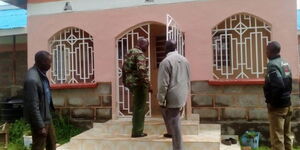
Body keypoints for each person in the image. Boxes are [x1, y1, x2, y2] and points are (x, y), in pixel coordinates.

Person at [157, 39, 190, 150]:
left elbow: (163, 84)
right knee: (175, 121)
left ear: (166, 49)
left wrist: (160, 99)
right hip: (182, 95)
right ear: (176, 47)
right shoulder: (185, 60)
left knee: (175, 125)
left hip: (172, 97)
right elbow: (188, 79)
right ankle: (170, 133)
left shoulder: (165, 62)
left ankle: (178, 147)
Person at [24, 51, 56, 150]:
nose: (50, 65)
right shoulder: (32, 79)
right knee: (38, 146)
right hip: (40, 120)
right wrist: (40, 126)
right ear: (41, 62)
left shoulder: (41, 74)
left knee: (52, 143)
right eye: (49, 62)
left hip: (46, 117)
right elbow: (32, 105)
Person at [263, 41, 293, 150]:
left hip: (278, 107)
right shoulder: (285, 63)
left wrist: (272, 103)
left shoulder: (272, 65)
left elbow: (278, 85)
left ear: (270, 51)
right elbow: (289, 82)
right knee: (286, 135)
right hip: (287, 104)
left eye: (266, 50)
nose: (265, 52)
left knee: (277, 139)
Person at [122, 37, 151, 138]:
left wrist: (124, 82)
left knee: (136, 106)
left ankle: (136, 130)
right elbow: (141, 71)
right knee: (140, 108)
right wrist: (148, 84)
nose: (147, 47)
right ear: (142, 44)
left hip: (131, 83)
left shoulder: (129, 52)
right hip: (139, 84)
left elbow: (123, 68)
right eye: (147, 45)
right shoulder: (139, 54)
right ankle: (137, 132)